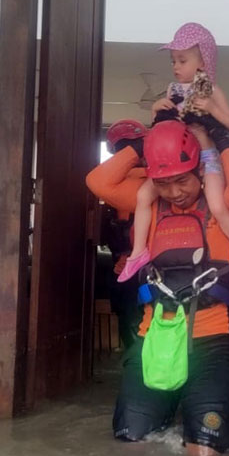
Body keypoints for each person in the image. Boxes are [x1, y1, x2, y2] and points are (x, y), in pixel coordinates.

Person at [86, 119, 229, 456]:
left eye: (182, 180)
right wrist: (142, 147)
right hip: (154, 339)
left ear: (198, 169)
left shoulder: (223, 200)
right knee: (130, 442)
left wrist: (221, 139)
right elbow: (98, 181)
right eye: (164, 183)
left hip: (212, 343)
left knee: (204, 450)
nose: (175, 192)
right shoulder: (148, 201)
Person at [117, 23, 229, 289]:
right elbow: (166, 128)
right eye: (173, 61)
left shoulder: (212, 91)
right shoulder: (173, 90)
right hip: (177, 161)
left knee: (218, 206)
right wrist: (156, 111)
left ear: (203, 62)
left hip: (206, 156)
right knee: (142, 197)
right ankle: (138, 253)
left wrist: (211, 109)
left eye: (182, 60)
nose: (176, 66)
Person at [102, 120, 149, 350]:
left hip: (129, 268)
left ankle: (135, 361)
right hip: (144, 266)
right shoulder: (152, 178)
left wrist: (126, 254)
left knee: (130, 317)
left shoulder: (114, 182)